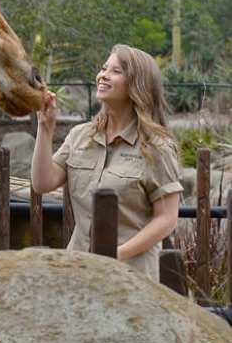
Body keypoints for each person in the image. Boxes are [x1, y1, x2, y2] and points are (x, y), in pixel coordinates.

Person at [30, 44, 182, 279]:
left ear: (137, 84)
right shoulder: (80, 135)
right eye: (104, 68)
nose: (103, 75)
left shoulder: (157, 147)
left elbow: (167, 219)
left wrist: (116, 254)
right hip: (79, 272)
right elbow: (42, 183)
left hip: (133, 277)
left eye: (116, 71)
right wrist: (45, 127)